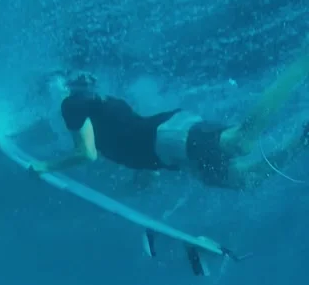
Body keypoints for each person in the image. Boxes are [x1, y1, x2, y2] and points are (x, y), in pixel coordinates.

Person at [30, 51, 309, 190]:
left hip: (170, 137)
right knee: (246, 179)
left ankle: (302, 62)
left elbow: (87, 154)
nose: (88, 79)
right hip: (173, 153)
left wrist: (46, 166)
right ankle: (303, 140)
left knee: (240, 142)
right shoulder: (102, 105)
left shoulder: (73, 104)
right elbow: (130, 141)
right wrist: (139, 179)